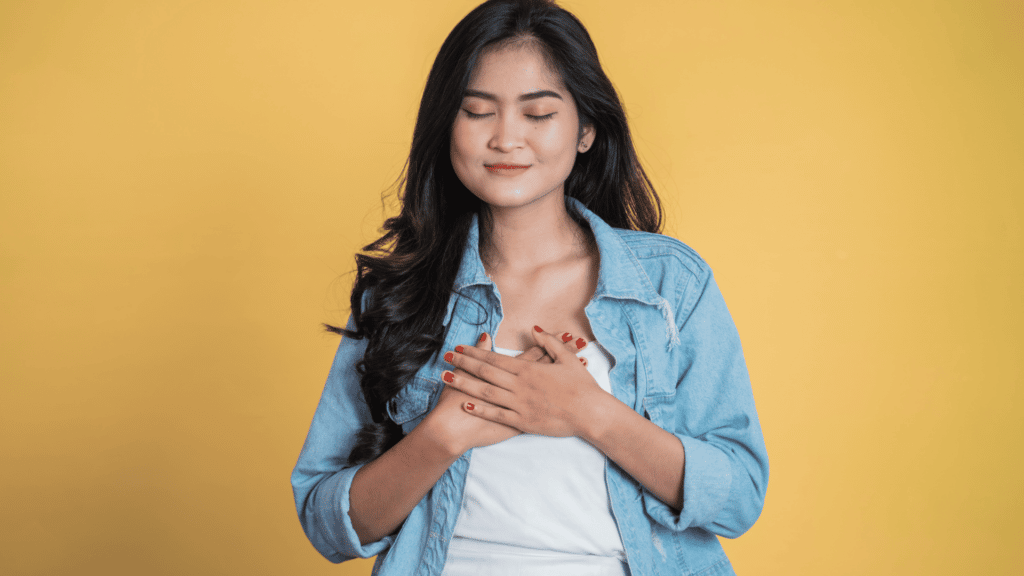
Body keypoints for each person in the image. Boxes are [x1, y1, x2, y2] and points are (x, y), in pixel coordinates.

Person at [291, 0, 769, 574]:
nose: (505, 139)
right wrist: (441, 435)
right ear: (448, 126)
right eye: (476, 111)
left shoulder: (669, 285)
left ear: (586, 129)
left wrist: (590, 411)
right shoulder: (402, 292)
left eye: (538, 114)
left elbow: (738, 498)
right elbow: (327, 525)